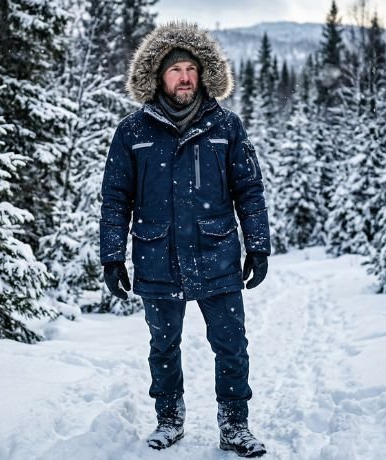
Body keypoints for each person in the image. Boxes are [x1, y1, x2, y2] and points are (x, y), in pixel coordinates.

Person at [99, 21, 271, 458]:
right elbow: (116, 199)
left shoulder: (226, 127)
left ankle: (234, 426)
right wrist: (112, 257)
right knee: (163, 345)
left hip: (217, 253)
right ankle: (169, 419)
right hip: (158, 256)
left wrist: (258, 245)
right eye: (175, 69)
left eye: (191, 68)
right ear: (158, 75)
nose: (184, 77)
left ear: (203, 74)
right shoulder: (133, 131)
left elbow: (249, 190)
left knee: (231, 344)